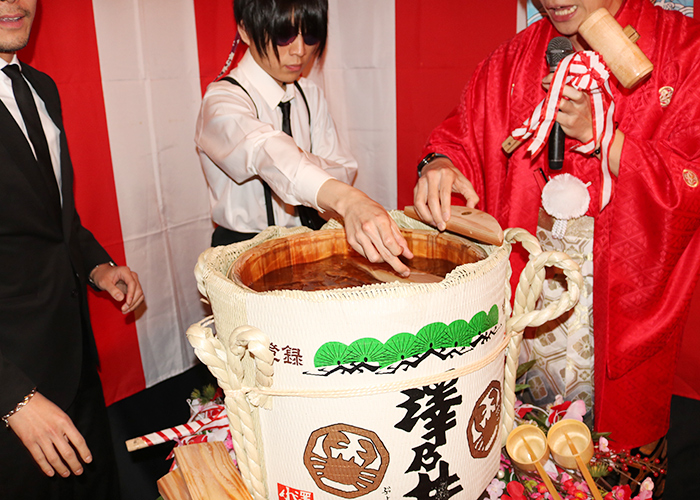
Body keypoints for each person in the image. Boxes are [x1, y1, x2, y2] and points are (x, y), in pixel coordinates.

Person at [412, 0, 700, 451]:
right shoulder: (515, 59)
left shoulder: (683, 50)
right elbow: (463, 136)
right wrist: (440, 163)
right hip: (530, 284)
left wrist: (606, 139)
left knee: (619, 460)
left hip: (620, 295)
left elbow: (691, 177)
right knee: (522, 447)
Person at [0, 1, 145, 498]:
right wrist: (14, 399)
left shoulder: (41, 87)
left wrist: (97, 266)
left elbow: (53, 217)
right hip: (13, 393)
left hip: (75, 363)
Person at [196, 0, 413, 276]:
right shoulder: (221, 102)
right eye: (283, 34)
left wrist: (303, 166)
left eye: (310, 35)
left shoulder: (309, 94)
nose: (300, 50)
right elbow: (266, 151)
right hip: (241, 251)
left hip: (309, 246)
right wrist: (346, 199)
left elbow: (343, 169)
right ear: (245, 31)